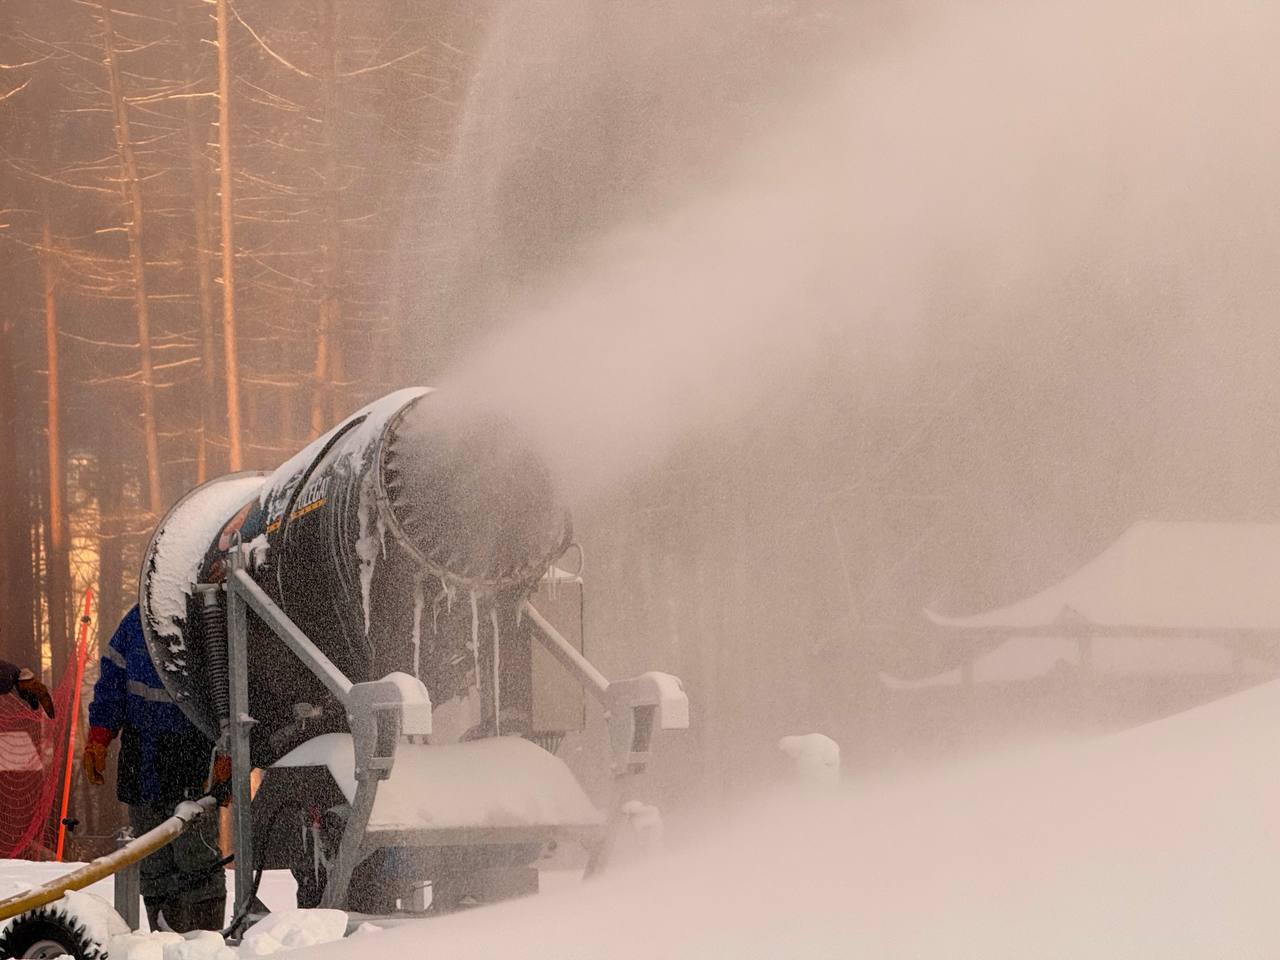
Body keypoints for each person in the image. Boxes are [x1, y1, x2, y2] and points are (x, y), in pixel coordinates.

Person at [83, 605, 226, 932]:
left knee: (197, 857)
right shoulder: (137, 621)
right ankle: (165, 942)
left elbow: (233, 687)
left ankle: (203, 945)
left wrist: (228, 749)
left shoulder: (211, 617)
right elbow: (113, 680)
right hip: (143, 754)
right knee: (153, 858)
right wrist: (100, 736)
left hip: (194, 750)